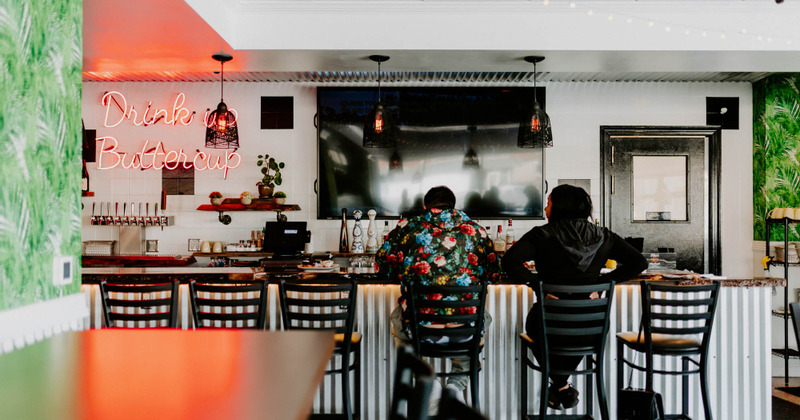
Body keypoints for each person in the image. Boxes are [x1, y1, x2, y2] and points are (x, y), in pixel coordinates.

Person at [502, 184, 647, 410]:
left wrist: (538, 285)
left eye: (548, 203)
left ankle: (561, 385)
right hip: (592, 325)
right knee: (576, 336)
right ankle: (562, 387)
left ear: (559, 206)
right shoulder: (604, 235)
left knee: (540, 330)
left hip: (549, 323)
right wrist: (603, 283)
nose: (546, 208)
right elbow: (639, 262)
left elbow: (509, 261)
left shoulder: (541, 235)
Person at [376, 185, 501, 401]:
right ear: (453, 206)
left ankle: (428, 383)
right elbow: (494, 273)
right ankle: (456, 386)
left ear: (426, 207)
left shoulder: (407, 226)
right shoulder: (477, 230)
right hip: (464, 331)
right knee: (481, 319)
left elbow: (382, 266)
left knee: (397, 320)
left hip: (421, 330)